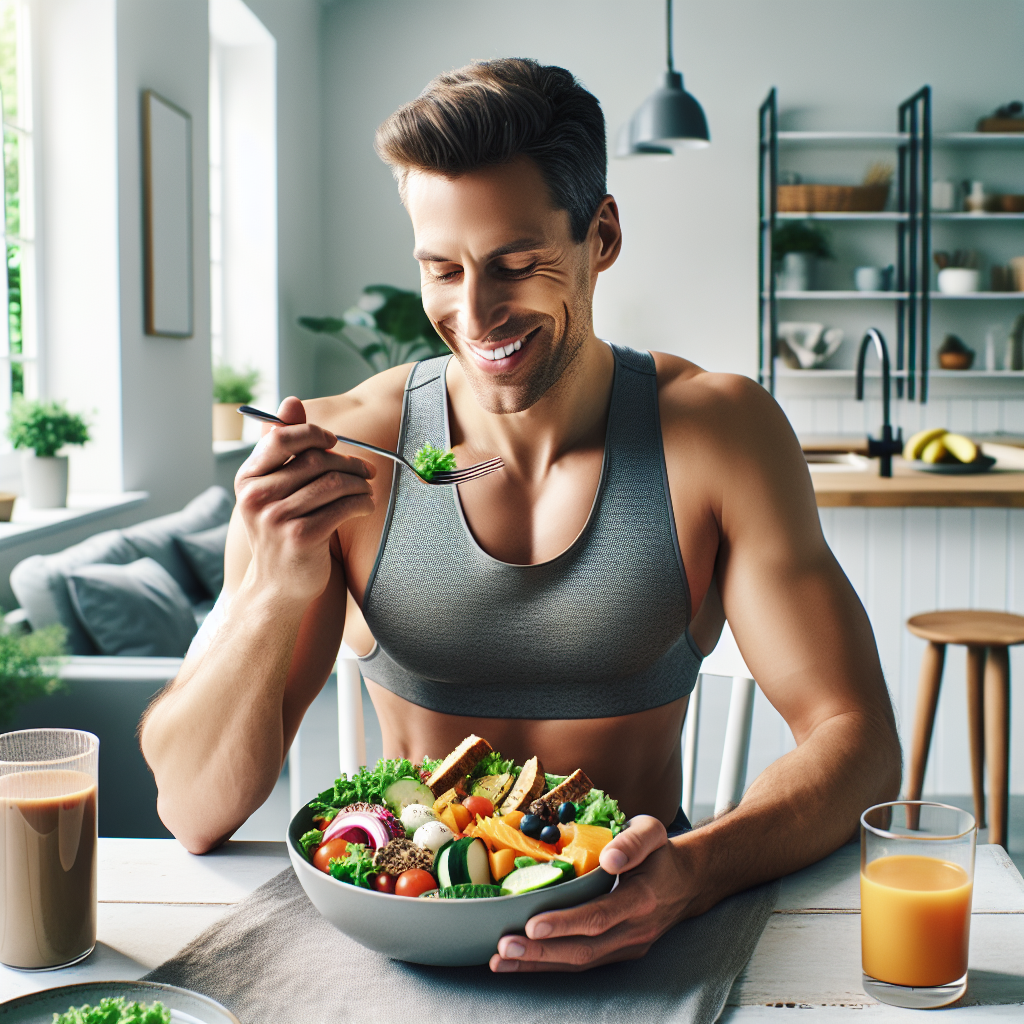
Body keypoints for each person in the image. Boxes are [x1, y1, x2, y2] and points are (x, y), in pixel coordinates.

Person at [140, 58, 900, 973]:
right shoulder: (342, 452)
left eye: (514, 263)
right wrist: (268, 589)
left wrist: (691, 875)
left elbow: (854, 741)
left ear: (602, 235)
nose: (475, 312)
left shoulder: (721, 434)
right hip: (401, 928)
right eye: (441, 269)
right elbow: (190, 810)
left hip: (640, 932)